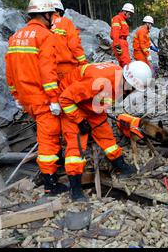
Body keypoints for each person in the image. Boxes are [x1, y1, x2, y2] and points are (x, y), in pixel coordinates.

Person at [58, 61, 152, 201]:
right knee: (77, 146)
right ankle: (75, 188)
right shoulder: (97, 81)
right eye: (132, 89)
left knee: (105, 135)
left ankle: (119, 165)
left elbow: (105, 97)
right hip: (72, 105)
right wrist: (79, 120)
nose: (131, 92)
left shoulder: (119, 79)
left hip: (91, 104)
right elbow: (65, 99)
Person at [5, 0, 66, 195]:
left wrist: (15, 95)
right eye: (52, 15)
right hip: (42, 97)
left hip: (25, 97)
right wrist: (54, 99)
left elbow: (10, 70)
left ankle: (55, 166)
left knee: (46, 134)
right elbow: (47, 71)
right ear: (46, 14)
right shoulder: (45, 36)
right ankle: (50, 182)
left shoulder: (16, 36)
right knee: (48, 137)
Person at [50, 0, 88, 83]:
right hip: (67, 69)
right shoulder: (65, 22)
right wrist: (84, 63)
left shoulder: (43, 24)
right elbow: (74, 45)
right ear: (60, 12)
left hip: (49, 70)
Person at [110, 3, 134, 68]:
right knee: (126, 64)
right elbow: (115, 32)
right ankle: (125, 77)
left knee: (123, 64)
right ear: (125, 11)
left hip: (123, 42)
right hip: (120, 42)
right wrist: (117, 45)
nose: (130, 16)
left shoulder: (123, 20)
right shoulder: (117, 18)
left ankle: (121, 77)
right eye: (129, 14)